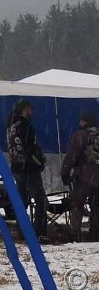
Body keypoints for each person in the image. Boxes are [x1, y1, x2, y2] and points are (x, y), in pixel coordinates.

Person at [61, 111, 99, 241]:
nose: (79, 123)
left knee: (77, 203)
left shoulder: (81, 135)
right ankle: (94, 234)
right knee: (96, 206)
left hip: (84, 176)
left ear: (85, 122)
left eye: (81, 120)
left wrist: (65, 172)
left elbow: (72, 155)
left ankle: (75, 234)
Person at [6, 99, 48, 240]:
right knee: (41, 201)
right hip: (29, 168)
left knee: (21, 201)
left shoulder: (11, 125)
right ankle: (39, 232)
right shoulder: (26, 125)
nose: (32, 111)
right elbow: (30, 149)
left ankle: (22, 230)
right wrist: (40, 162)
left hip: (16, 167)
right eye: (30, 108)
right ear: (25, 109)